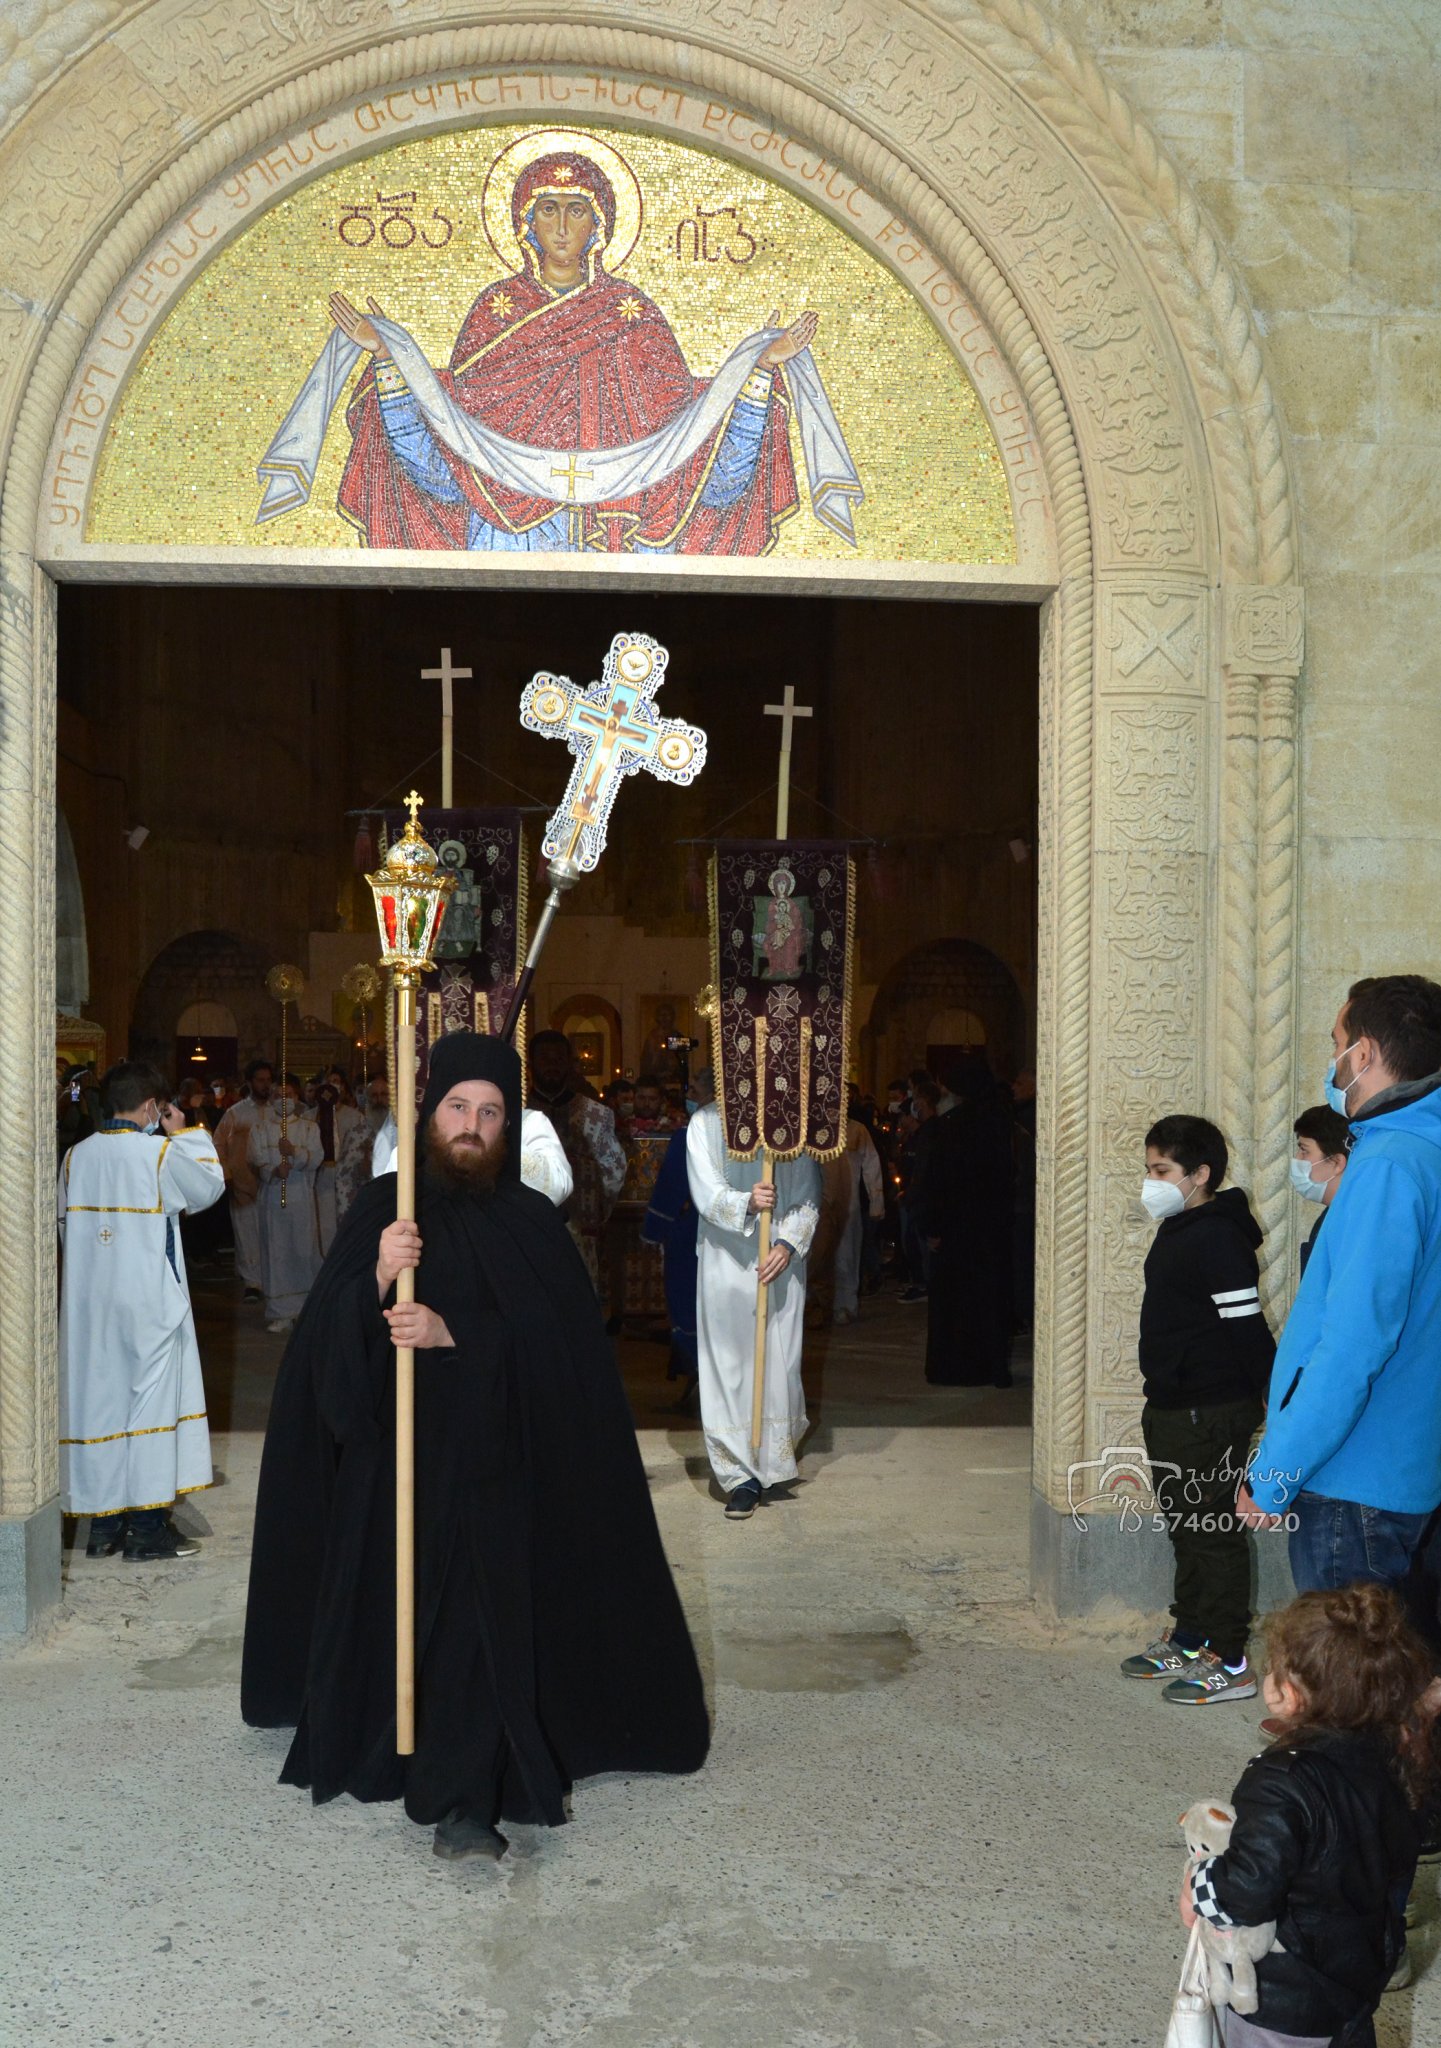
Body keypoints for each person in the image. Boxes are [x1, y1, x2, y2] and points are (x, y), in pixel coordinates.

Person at [240, 1032, 710, 1860]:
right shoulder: (384, 1207)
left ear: (508, 1127)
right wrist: (376, 1280)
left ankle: (464, 1800)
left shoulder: (530, 1222)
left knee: (473, 1623)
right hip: (397, 1474)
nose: (471, 1125)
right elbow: (318, 1358)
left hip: (498, 1469)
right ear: (430, 1115)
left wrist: (456, 1334)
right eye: (458, 1107)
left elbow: (563, 1362)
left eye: (490, 1113)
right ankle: (404, 1747)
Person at [328, 148, 817, 556]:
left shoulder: (635, 319)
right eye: (548, 208)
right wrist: (392, 362)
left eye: (577, 210)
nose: (562, 226)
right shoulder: (493, 317)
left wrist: (757, 374)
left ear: (599, 225)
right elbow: (448, 467)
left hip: (626, 543)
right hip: (509, 534)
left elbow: (702, 465)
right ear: (526, 224)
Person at [1240, 975, 1441, 1596]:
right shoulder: (1423, 1152)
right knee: (1391, 1676)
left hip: (1353, 1477)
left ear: (1364, 1054)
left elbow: (1352, 1346)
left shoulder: (1386, 1166)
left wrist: (1274, 1473)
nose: (1332, 1062)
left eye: (1337, 1044)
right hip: (1406, 1464)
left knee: (1346, 1684)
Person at [1182, 1583, 1435, 2047]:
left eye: (1275, 1666)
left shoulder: (1281, 1780)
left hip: (1282, 2002)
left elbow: (1245, 1894)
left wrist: (1200, 1882)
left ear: (1293, 1693)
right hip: (1355, 1981)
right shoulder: (1395, 1758)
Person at [1122, 1114, 1275, 1704]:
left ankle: (1231, 1660)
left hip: (1208, 1409)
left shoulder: (1215, 1236)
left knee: (1211, 1530)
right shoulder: (1183, 1226)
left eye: (1162, 1170)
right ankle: (1190, 1638)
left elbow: (1246, 1327)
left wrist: (1271, 1401)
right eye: (1149, 1169)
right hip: (1175, 1404)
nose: (1150, 1182)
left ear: (1200, 1174)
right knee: (1187, 1527)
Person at [59, 1060, 224, 1561]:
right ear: (153, 1107)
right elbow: (208, 1187)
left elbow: (66, 1227)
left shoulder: (74, 1157)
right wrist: (188, 1133)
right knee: (149, 1409)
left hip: (90, 1306)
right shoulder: (157, 1154)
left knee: (99, 1407)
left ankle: (104, 1529)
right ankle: (147, 1532)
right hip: (148, 1304)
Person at [686, 1094, 821, 1520]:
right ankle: (737, 1473)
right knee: (729, 1363)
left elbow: (807, 1193)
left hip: (776, 1260)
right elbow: (705, 1191)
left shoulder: (789, 1120)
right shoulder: (705, 1122)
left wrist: (789, 1242)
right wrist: (746, 1200)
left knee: (778, 1362)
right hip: (726, 1257)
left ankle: (771, 1461)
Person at [911, 1059, 1015, 1384]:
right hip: (993, 1233)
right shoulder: (1002, 1125)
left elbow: (933, 1182)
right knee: (989, 1301)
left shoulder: (948, 1128)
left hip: (954, 1234)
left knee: (955, 1306)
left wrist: (931, 1227)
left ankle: (954, 1369)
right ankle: (994, 1368)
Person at [528, 1029, 626, 1289]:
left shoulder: (596, 1114)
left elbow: (614, 1172)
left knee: (580, 1296)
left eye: (558, 1059)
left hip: (580, 1228)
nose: (551, 1065)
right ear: (531, 1062)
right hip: (526, 1226)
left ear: (569, 1063)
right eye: (544, 1058)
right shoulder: (517, 1112)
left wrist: (595, 1215)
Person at [642, 1067, 712, 1396]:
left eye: (695, 1091)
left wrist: (653, 1231)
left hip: (689, 1235)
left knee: (687, 1301)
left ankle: (695, 1370)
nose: (689, 1098)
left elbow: (670, 1190)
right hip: (735, 1235)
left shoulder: (688, 1136)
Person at [250, 1072, 323, 1335]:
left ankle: (305, 1309)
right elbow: (256, 1159)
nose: (283, 1100)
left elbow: (317, 1158)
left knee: (302, 1250)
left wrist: (294, 1153)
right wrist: (271, 1170)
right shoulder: (260, 1129)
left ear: (297, 1097)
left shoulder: (308, 1128)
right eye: (277, 1096)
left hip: (300, 1197)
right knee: (277, 1251)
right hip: (272, 1198)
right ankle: (280, 1311)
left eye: (288, 1095)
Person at [215, 1058, 275, 1303]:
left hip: (273, 1184)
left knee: (272, 1233)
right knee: (247, 1233)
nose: (265, 1085)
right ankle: (252, 1282)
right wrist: (227, 1176)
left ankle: (273, 1279)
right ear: (250, 1083)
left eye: (269, 1080)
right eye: (260, 1080)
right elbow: (218, 1145)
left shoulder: (279, 1112)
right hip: (243, 1183)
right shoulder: (236, 1113)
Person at [1290, 1102, 1350, 1278]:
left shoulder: (1350, 1223)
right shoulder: (1331, 1217)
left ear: (1337, 1162)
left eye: (1304, 1150)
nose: (1297, 1159)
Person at [311, 1078, 363, 1255]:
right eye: (328, 1081)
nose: (332, 1085)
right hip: (318, 1180)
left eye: (336, 1081)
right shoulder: (310, 1117)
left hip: (348, 1181)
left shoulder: (355, 1116)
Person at [335, 1066, 390, 1223]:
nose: (379, 1100)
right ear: (368, 1099)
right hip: (366, 1209)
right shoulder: (355, 1134)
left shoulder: (404, 1133)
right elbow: (343, 1177)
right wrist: (361, 1168)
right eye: (374, 1095)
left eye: (384, 1094)